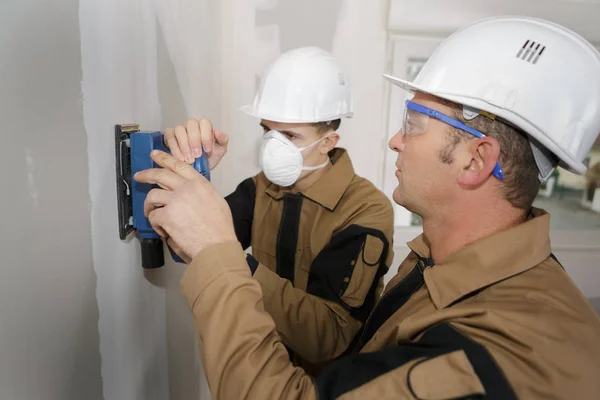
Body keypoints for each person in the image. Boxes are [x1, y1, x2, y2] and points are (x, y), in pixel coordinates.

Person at [136, 16, 600, 399]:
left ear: (476, 160)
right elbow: (199, 238)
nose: (396, 140)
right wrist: (194, 184)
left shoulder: (489, 354)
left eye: (413, 123)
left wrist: (227, 257)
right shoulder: (436, 263)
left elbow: (330, 339)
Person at [163, 46, 394, 373]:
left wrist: (228, 258)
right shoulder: (259, 189)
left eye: (289, 135)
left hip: (328, 386)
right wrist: (197, 173)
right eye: (267, 131)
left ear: (328, 141)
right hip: (262, 368)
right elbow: (183, 246)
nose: (273, 145)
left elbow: (328, 337)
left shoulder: (364, 210)